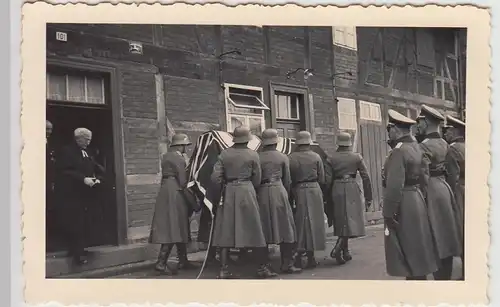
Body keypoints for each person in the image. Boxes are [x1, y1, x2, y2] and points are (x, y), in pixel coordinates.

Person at [210, 126, 276, 279]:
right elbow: (257, 178)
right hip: (247, 190)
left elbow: (215, 178)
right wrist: (249, 187)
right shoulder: (252, 155)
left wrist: (222, 189)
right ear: (247, 139)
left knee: (226, 230)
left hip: (229, 191)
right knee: (255, 227)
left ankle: (223, 269)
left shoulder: (224, 154)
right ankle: (261, 268)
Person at [383, 110, 438, 280]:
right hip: (417, 198)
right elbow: (425, 176)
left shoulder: (398, 151)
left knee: (406, 245)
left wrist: (388, 213)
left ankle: (414, 282)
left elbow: (394, 185)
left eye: (389, 129)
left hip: (404, 200)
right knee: (418, 242)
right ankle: (419, 276)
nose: (389, 133)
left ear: (396, 130)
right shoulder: (416, 147)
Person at [415, 105, 461, 280]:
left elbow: (423, 175)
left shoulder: (423, 147)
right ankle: (446, 271)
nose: (418, 126)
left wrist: (421, 197)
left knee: (432, 232)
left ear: (426, 123)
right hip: (445, 188)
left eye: (420, 122)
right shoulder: (445, 143)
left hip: (431, 190)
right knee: (446, 230)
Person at [149, 133, 198, 275]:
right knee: (174, 227)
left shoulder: (166, 156)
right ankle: (161, 263)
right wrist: (194, 202)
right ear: (180, 145)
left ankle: (183, 260)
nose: (186, 149)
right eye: (185, 146)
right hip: (175, 193)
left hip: (167, 191)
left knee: (179, 226)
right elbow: (183, 182)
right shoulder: (178, 158)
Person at [54, 128, 104, 265]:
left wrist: (96, 178)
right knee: (75, 223)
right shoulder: (67, 151)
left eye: (90, 139)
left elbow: (93, 167)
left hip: (86, 194)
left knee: (85, 222)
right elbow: (65, 171)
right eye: (86, 139)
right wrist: (83, 179)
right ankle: (78, 254)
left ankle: (79, 249)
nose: (89, 142)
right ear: (78, 138)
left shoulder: (88, 152)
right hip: (72, 194)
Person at [257, 128, 301, 274]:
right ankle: (287, 263)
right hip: (279, 189)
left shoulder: (256, 157)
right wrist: (287, 195)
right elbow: (287, 180)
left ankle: (263, 265)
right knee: (286, 227)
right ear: (276, 142)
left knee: (262, 228)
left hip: (261, 192)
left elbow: (255, 179)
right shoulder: (283, 157)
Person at [326, 132, 373, 264]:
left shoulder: (331, 158)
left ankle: (345, 252)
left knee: (342, 219)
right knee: (351, 219)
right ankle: (337, 249)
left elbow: (327, 180)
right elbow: (366, 177)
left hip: (337, 187)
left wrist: (328, 197)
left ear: (338, 143)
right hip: (352, 187)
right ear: (350, 143)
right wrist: (369, 197)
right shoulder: (356, 157)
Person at [289, 131, 326, 269]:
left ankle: (298, 254)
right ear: (309, 142)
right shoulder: (316, 157)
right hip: (314, 190)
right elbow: (322, 178)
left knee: (300, 222)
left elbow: (289, 178)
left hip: (298, 189)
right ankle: (311, 256)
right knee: (314, 222)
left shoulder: (291, 158)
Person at [444, 114, 466, 280]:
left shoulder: (452, 149)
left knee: (460, 228)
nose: (446, 133)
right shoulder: (467, 146)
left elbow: (452, 177)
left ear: (455, 131)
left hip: (459, 191)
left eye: (448, 130)